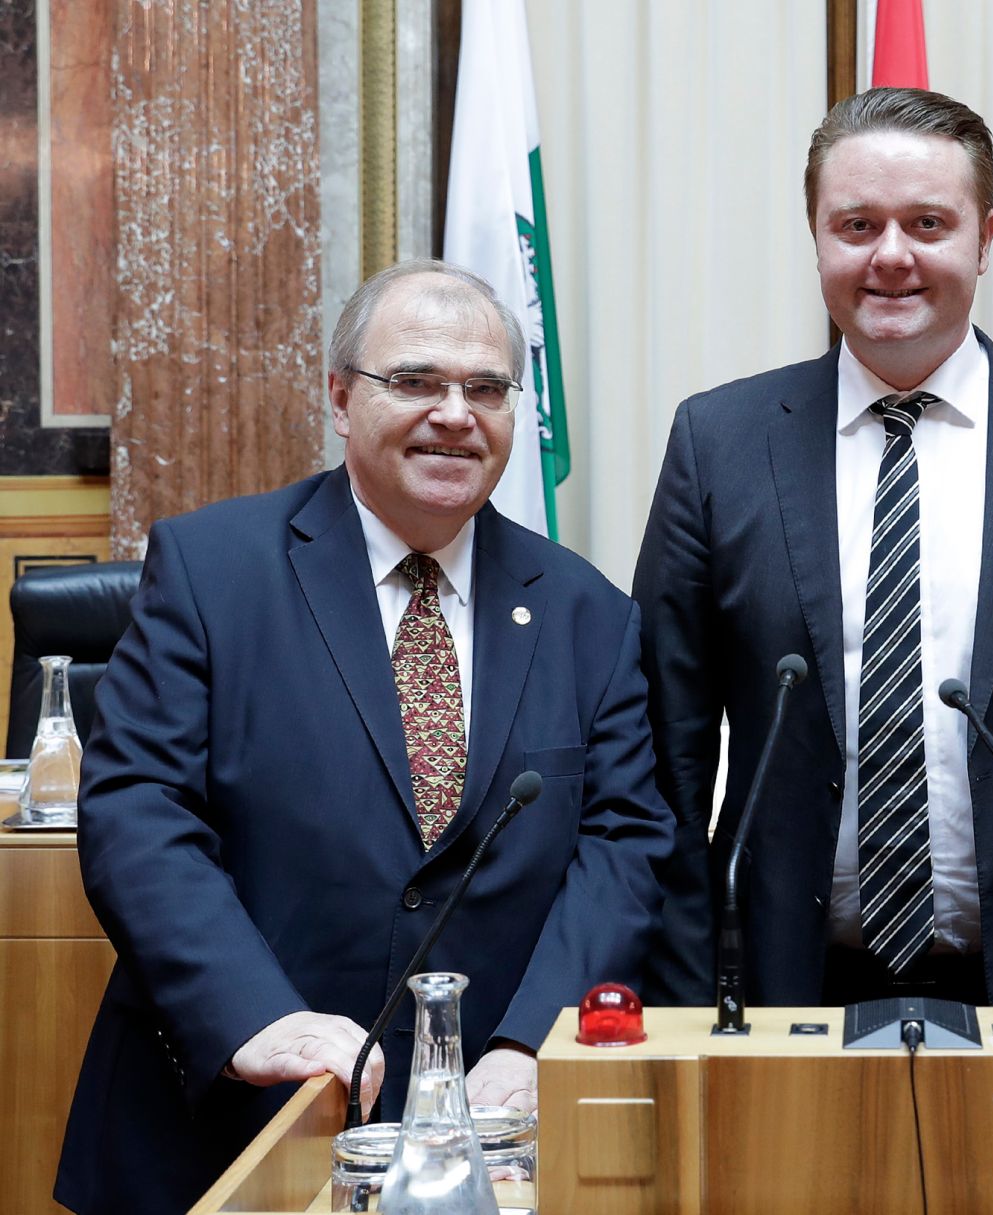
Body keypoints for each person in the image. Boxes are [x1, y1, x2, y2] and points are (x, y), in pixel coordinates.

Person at [55, 260, 674, 1215]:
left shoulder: (590, 613)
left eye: (486, 388)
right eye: (416, 381)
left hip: (491, 1142)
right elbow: (139, 811)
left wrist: (528, 1041)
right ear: (342, 399)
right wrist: (254, 1018)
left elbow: (624, 843)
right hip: (232, 1127)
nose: (456, 413)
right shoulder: (212, 571)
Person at [634, 88, 993, 1010]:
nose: (890, 255)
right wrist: (697, 987)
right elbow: (665, 750)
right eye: (856, 224)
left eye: (927, 223)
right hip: (784, 992)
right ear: (816, 239)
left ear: (984, 239)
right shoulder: (719, 443)